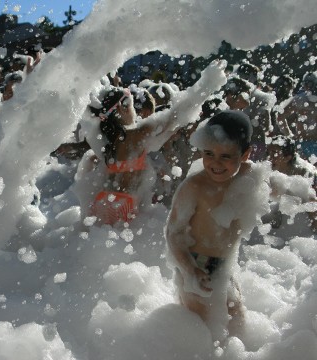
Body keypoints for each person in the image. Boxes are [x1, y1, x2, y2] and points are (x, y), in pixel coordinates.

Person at [165, 110, 316, 336]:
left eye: (225, 156)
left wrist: (309, 197)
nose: (215, 163)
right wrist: (190, 271)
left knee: (237, 327)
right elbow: (173, 234)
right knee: (203, 333)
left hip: (225, 268)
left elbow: (286, 189)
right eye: (209, 153)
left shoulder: (251, 177)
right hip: (197, 269)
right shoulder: (194, 187)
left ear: (245, 154)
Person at [87, 60, 227, 225]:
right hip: (126, 204)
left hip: (102, 201)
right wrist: (207, 84)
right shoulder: (136, 135)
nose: (135, 112)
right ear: (121, 109)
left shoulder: (102, 139)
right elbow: (177, 114)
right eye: (132, 106)